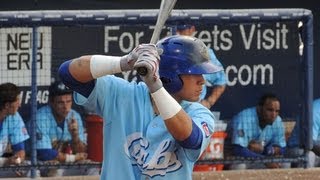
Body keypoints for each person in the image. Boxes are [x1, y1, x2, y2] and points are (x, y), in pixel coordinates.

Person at [58, 35, 222, 179]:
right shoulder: (122, 94)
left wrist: (156, 87)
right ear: (171, 76)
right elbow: (68, 74)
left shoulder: (199, 113)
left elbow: (190, 139)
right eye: (194, 73)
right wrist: (124, 62)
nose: (202, 80)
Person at [35, 81, 95, 176]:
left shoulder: (74, 115)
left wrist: (74, 135)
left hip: (66, 164)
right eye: (60, 102)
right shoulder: (41, 117)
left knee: (92, 169)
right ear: (51, 102)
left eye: (68, 102)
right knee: (55, 170)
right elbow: (44, 153)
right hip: (43, 164)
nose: (66, 107)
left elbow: (81, 152)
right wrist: (73, 158)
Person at [226, 93, 287, 169]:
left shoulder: (277, 121)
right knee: (239, 166)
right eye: (270, 110)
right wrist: (264, 160)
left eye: (277, 111)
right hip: (237, 158)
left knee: (285, 163)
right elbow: (238, 150)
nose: (274, 115)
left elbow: (283, 148)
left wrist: (269, 150)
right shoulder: (245, 118)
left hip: (262, 158)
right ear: (259, 108)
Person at [176, 23, 227, 110]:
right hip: (169, 107)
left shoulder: (204, 52)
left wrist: (209, 102)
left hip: (194, 108)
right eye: (176, 30)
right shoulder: (165, 52)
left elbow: (221, 81)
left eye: (181, 30)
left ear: (192, 30)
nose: (177, 34)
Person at [0, 82, 30, 177]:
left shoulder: (14, 116)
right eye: (17, 100)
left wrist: (17, 161)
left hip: (3, 165)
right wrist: (7, 161)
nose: (19, 104)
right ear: (7, 105)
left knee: (30, 170)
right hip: (3, 163)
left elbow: (20, 149)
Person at [287, 98, 320, 167]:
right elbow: (310, 144)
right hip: (299, 149)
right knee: (309, 155)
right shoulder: (315, 109)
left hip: (317, 152)